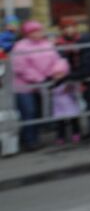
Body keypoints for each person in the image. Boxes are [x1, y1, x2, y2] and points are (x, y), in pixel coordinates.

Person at [10, 21, 69, 150]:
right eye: (34, 31)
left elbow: (58, 60)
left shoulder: (47, 44)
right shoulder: (20, 47)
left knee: (37, 113)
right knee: (28, 113)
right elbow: (21, 68)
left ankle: (33, 138)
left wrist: (56, 72)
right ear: (27, 33)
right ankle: (29, 141)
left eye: (39, 31)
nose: (37, 34)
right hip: (24, 87)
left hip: (41, 85)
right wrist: (41, 79)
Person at [57, 17, 90, 139]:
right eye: (65, 28)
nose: (68, 30)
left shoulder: (85, 42)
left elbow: (87, 66)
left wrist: (68, 76)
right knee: (89, 104)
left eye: (71, 27)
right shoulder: (62, 44)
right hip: (80, 78)